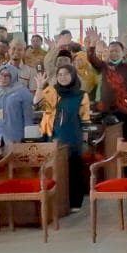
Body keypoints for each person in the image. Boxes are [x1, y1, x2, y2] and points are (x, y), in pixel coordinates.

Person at [39, 64, 91, 208]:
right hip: (54, 134)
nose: (62, 77)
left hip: (73, 134)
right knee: (55, 169)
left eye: (66, 74)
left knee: (73, 168)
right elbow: (37, 104)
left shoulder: (81, 95)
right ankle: (57, 203)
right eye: (60, 74)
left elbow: (85, 118)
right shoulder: (51, 91)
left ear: (73, 76)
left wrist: (85, 139)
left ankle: (75, 202)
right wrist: (40, 87)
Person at [85, 30, 127, 134]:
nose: (114, 53)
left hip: (125, 111)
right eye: (111, 51)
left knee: (126, 137)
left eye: (117, 51)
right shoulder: (104, 66)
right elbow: (91, 58)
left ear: (123, 52)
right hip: (106, 111)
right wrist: (93, 43)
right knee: (108, 139)